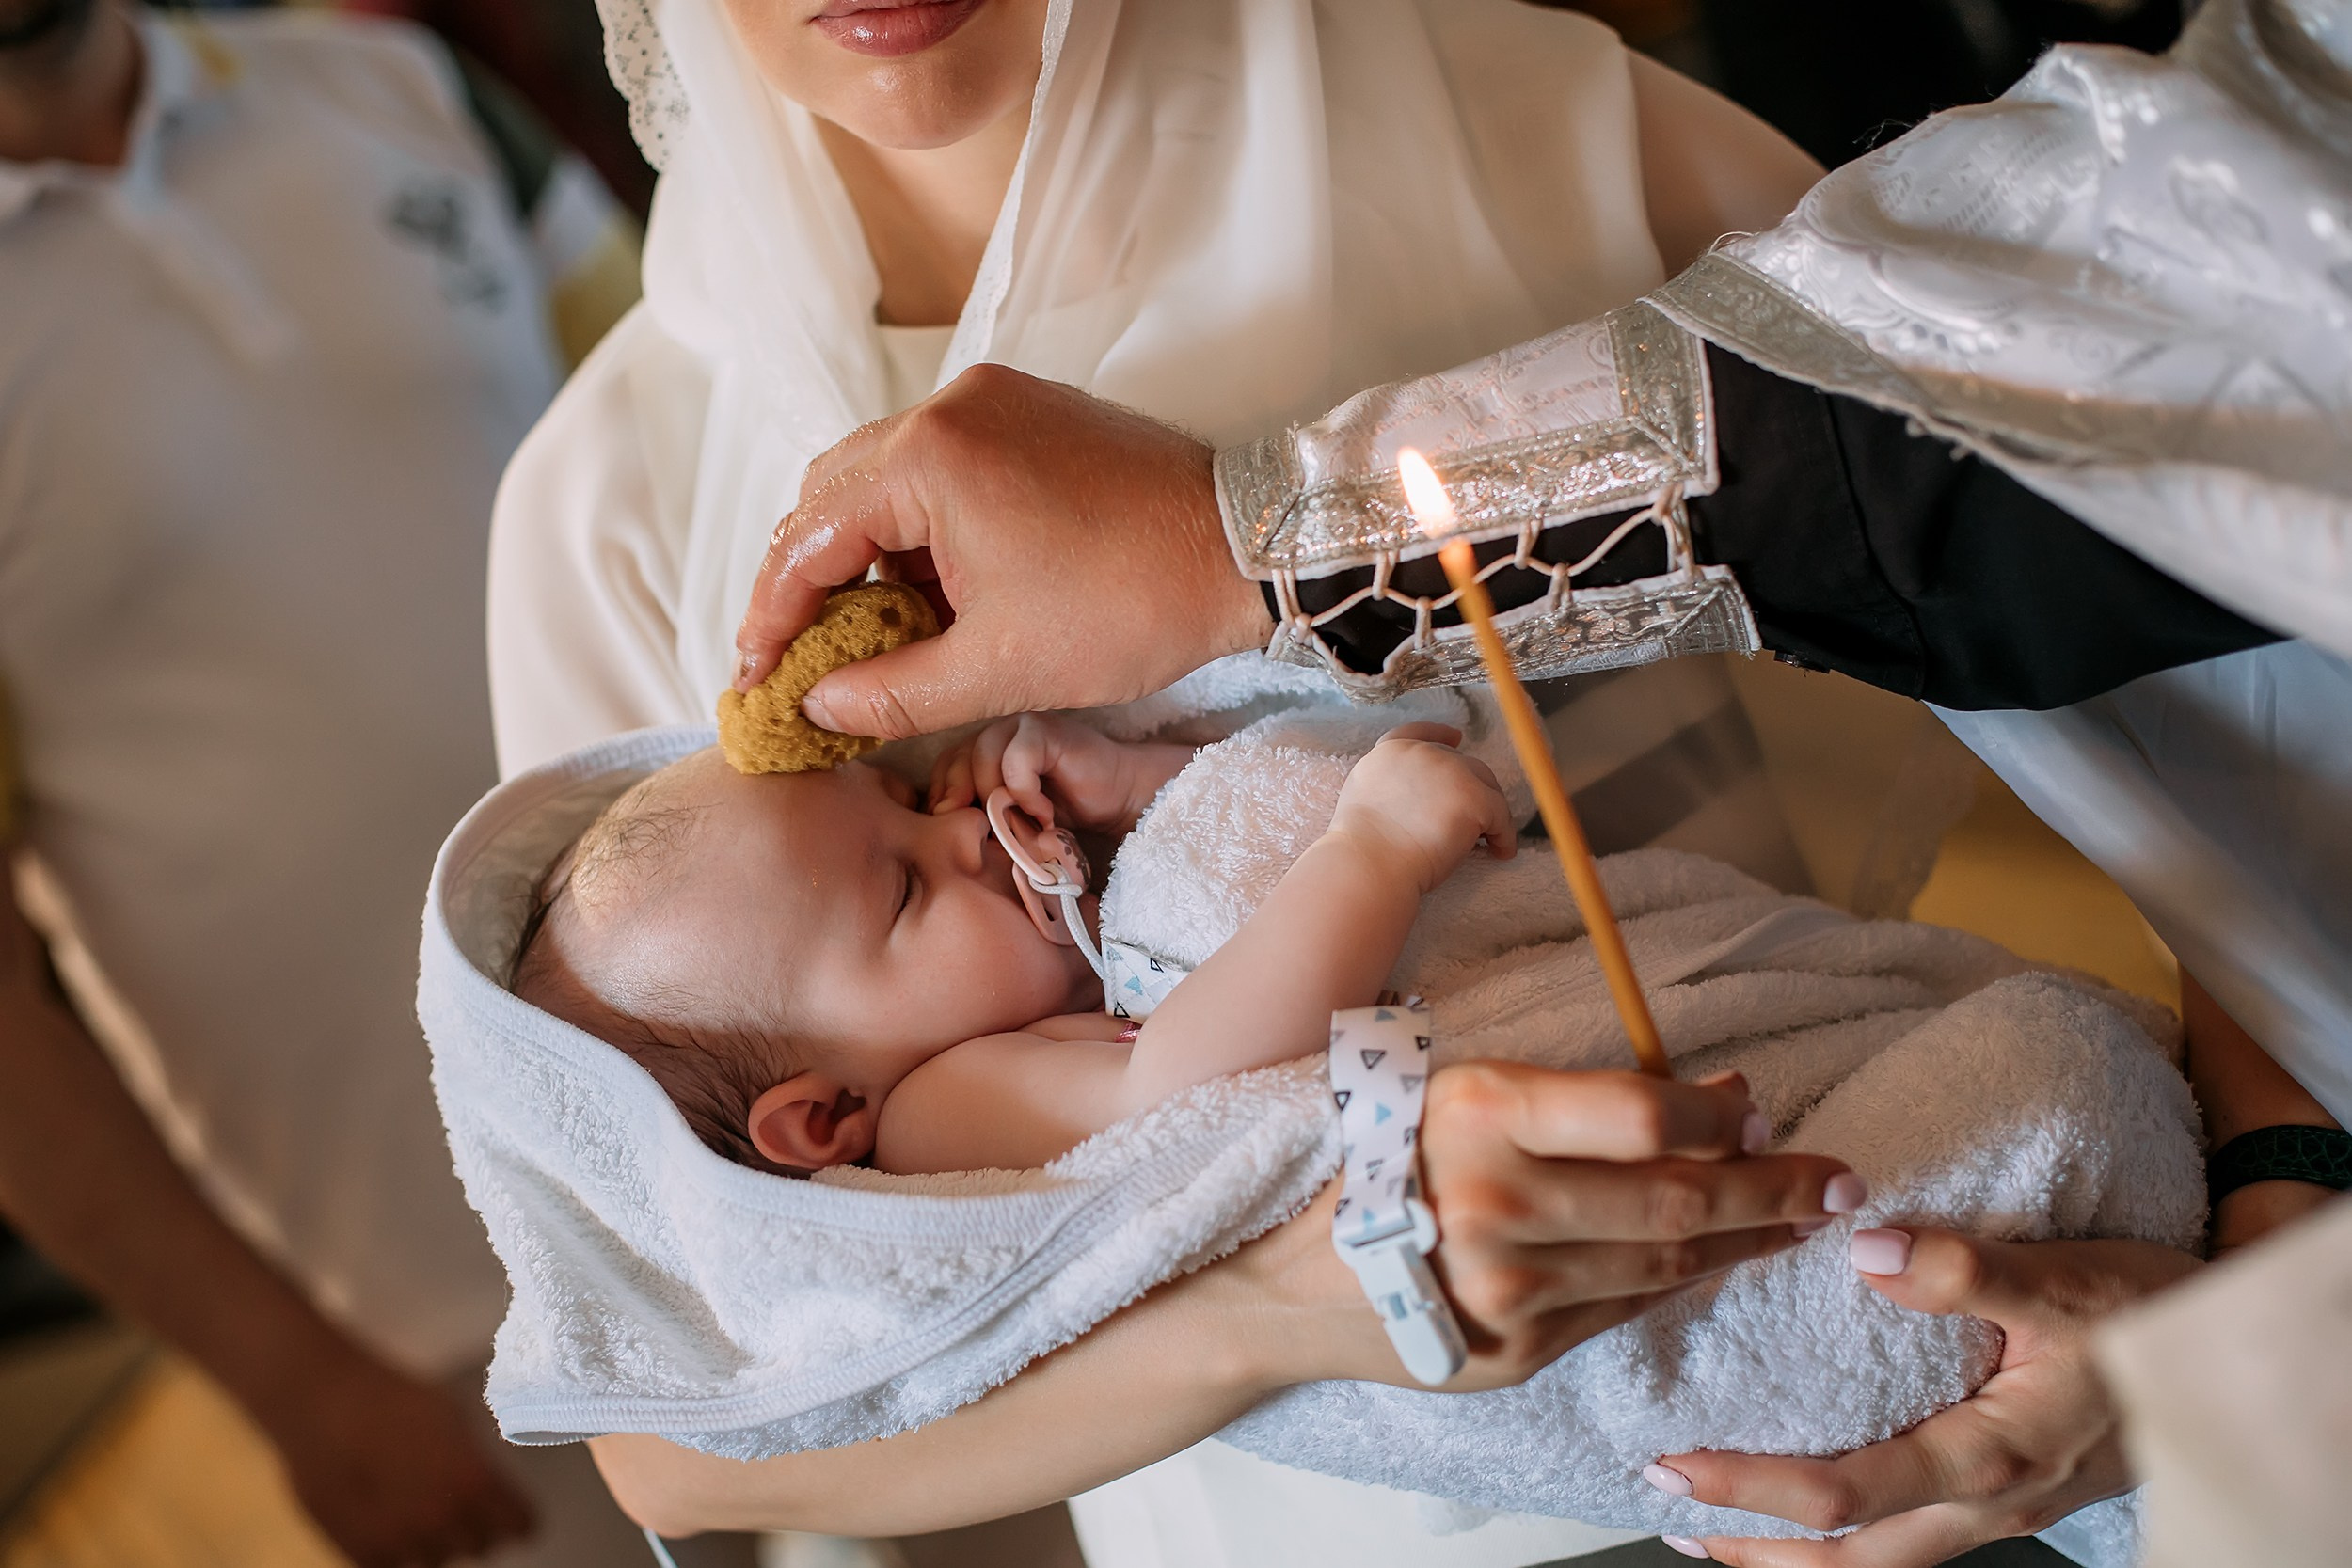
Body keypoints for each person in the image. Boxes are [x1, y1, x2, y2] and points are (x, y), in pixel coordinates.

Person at [660, 1, 2347, 1560]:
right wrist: (1299, 1306)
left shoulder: (1563, 128)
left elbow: (2183, 556)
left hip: (1932, 1212)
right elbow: (678, 1428)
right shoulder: (617, 489)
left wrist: (2276, 1206)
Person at [0, 2, 727, 1564]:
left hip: (844, 1104)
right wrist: (290, 1379)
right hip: (458, 1323)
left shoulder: (391, 85)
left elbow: (732, 430)